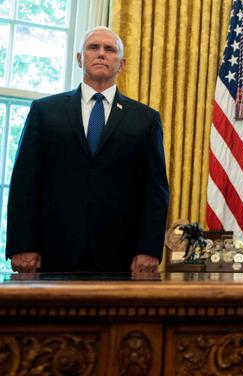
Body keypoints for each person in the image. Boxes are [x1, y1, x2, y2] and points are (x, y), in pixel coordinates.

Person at [5, 27, 169, 273]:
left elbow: (155, 191)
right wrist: (22, 244)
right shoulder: (45, 111)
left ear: (121, 63)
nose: (101, 54)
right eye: (93, 47)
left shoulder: (145, 119)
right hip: (53, 251)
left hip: (121, 256)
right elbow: (24, 183)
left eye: (109, 49)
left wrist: (149, 249)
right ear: (80, 58)